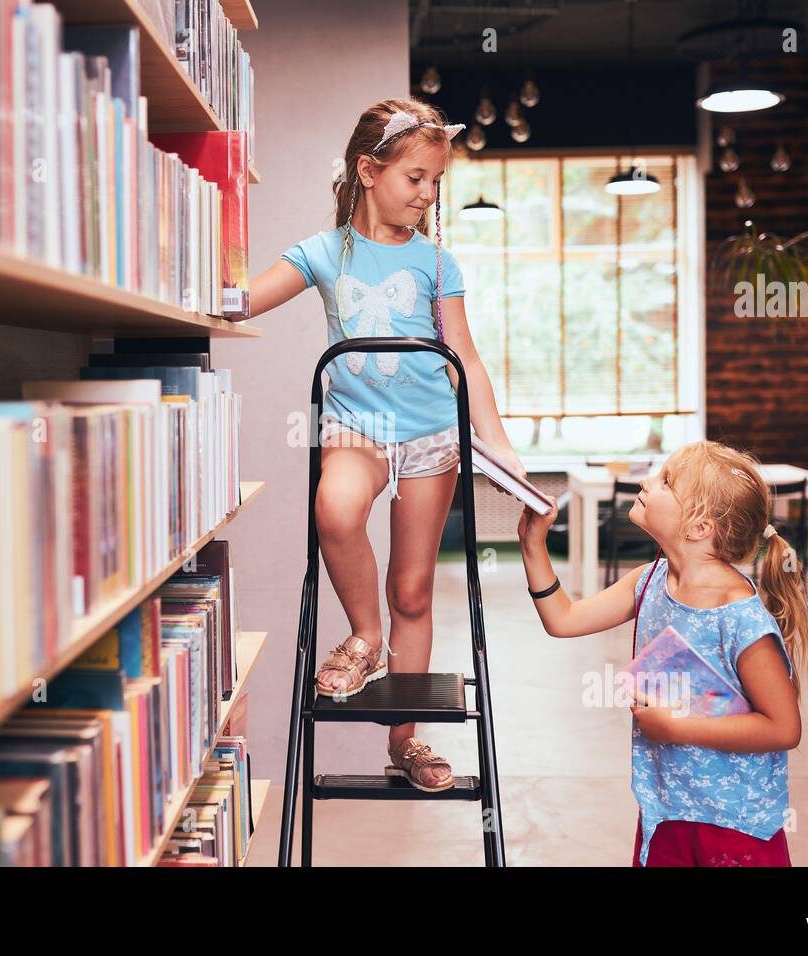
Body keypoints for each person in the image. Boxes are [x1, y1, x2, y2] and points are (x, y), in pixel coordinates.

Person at [246, 97, 524, 791]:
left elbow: (465, 354)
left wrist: (499, 446)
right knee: (337, 509)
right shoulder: (321, 252)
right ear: (369, 171)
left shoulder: (437, 262)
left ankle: (404, 743)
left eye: (436, 181)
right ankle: (363, 638)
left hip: (432, 435)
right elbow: (241, 299)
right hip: (356, 428)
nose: (428, 195)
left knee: (415, 589)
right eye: (416, 178)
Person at [518, 441, 808, 864]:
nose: (646, 482)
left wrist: (676, 728)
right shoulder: (649, 580)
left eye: (666, 481)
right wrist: (532, 545)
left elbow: (784, 729)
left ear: (699, 527)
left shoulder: (740, 618)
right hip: (665, 810)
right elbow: (562, 620)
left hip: (735, 826)